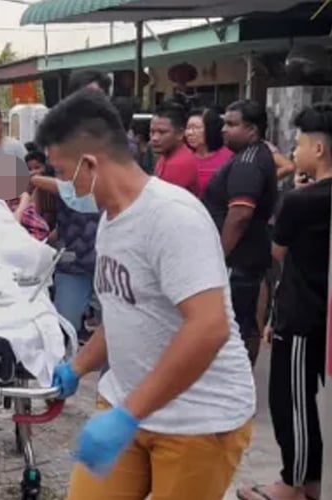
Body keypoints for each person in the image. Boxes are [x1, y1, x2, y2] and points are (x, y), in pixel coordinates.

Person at [39, 89, 255, 500]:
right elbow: (124, 310)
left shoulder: (173, 217)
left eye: (63, 173)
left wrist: (129, 413)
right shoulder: (111, 220)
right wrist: (78, 367)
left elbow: (210, 329)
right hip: (127, 406)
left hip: (197, 421)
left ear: (89, 164)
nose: (62, 186)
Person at [237, 104, 332, 500]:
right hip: (320, 315)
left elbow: (276, 253)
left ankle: (291, 483)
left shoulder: (301, 201)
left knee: (290, 400)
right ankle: (312, 479)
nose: (294, 152)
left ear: (319, 150)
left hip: (302, 313)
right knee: (315, 402)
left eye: (299, 144)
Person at [203, 99, 278, 366]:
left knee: (231, 328)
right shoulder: (250, 157)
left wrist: (218, 257)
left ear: (252, 130)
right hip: (245, 259)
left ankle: (234, 382)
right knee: (242, 325)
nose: (224, 129)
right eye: (224, 123)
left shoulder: (248, 162)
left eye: (232, 124)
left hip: (237, 260)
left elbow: (240, 215)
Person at [151, 100, 200, 196]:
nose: (154, 138)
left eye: (162, 132)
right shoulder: (166, 155)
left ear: (180, 134)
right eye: (152, 132)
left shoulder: (180, 163)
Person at [185, 106, 233, 197]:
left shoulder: (229, 157)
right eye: (188, 128)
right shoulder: (184, 157)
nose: (190, 133)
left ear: (210, 128)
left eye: (196, 128)